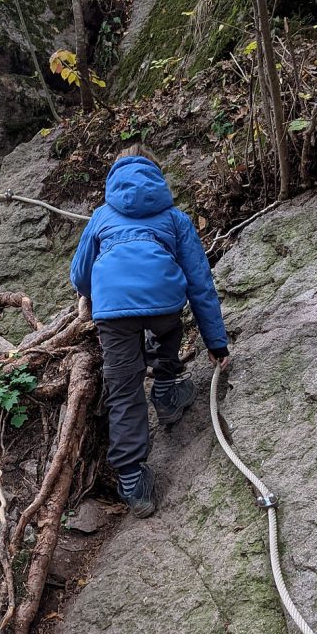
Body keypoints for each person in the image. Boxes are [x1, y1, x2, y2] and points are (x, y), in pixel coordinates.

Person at [70, 147, 230, 518]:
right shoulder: (174, 217)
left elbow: (79, 275)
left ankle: (132, 481)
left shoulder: (100, 216)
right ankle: (167, 391)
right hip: (163, 304)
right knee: (166, 332)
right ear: (157, 175)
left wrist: (105, 296)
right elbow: (200, 284)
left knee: (124, 387)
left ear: (114, 177)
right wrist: (216, 341)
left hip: (113, 310)